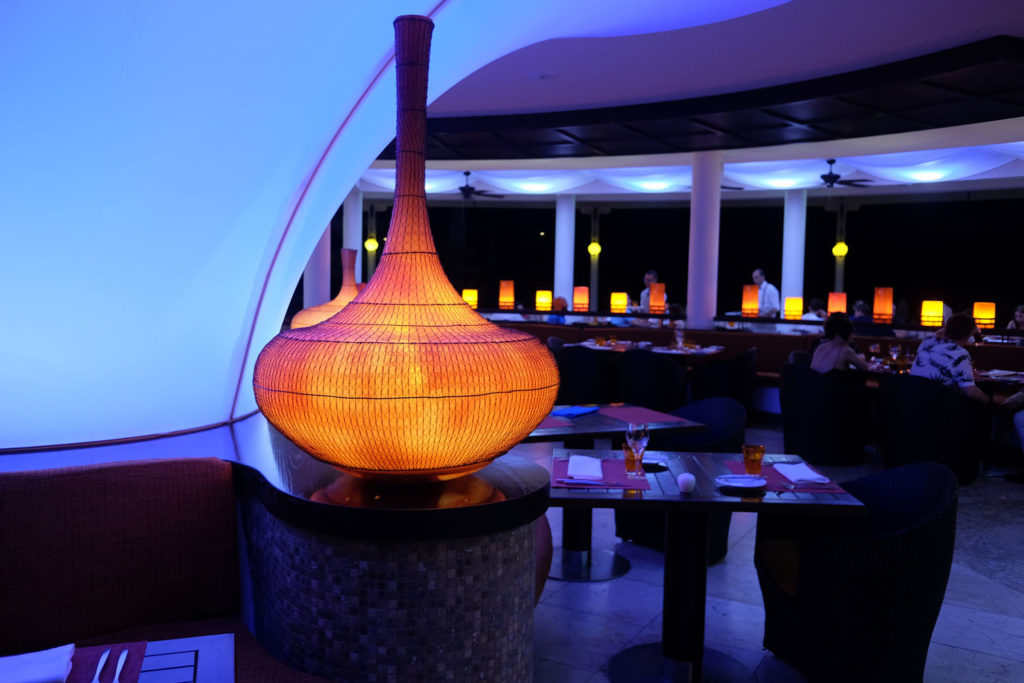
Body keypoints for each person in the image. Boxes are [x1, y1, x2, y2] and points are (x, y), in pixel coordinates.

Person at [909, 312, 988, 403]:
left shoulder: (927, 342)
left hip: (911, 400)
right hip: (937, 405)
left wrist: (968, 375)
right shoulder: (960, 353)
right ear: (969, 335)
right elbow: (970, 392)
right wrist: (988, 400)